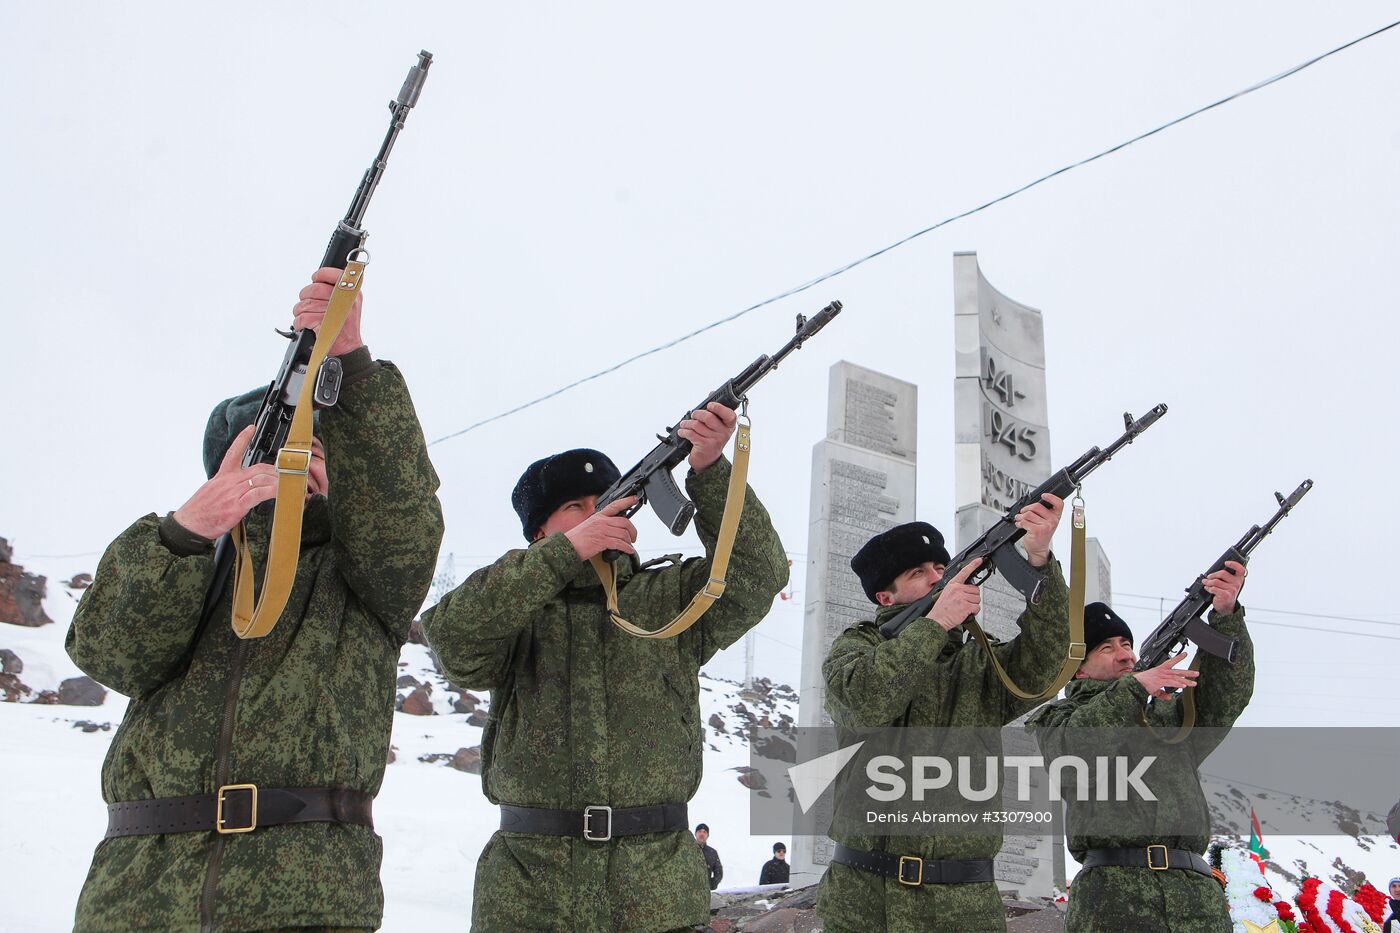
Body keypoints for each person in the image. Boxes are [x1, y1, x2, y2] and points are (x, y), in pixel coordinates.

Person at [64, 267, 445, 932]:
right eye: (283, 448)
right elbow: (109, 653)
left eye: (317, 448)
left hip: (305, 900)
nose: (301, 461)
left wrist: (351, 359)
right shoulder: (177, 559)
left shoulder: (360, 575)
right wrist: (187, 531)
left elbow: (402, 516)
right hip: (140, 900)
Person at [421, 401, 788, 932]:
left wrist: (709, 469)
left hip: (655, 886)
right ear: (541, 532)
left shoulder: (668, 597)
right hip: (530, 888)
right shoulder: (512, 608)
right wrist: (561, 558)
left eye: (607, 501)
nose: (599, 513)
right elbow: (453, 641)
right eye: (576, 506)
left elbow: (760, 571)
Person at [817, 502, 1069, 933]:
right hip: (864, 902)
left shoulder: (975, 659)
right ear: (885, 596)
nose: (939, 577)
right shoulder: (856, 647)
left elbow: (1047, 664)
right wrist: (934, 625)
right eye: (918, 573)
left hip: (963, 907)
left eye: (940, 566)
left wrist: (1040, 559)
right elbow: (865, 701)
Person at [1026, 565, 1253, 933]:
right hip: (1114, 899)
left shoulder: (1165, 715)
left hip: (1196, 896)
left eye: (1127, 644)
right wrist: (1134, 691)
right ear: (1077, 670)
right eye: (1106, 648)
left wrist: (1226, 615)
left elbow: (1226, 699)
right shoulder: (1059, 717)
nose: (1125, 656)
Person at [696, 823, 724, 890]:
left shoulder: (712, 853)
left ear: (707, 835)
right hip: (688, 891)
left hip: (704, 892)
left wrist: (712, 884)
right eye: (699, 831)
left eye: (704, 832)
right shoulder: (688, 849)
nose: (702, 834)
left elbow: (719, 871)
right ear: (695, 834)